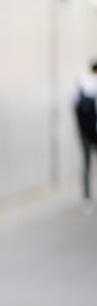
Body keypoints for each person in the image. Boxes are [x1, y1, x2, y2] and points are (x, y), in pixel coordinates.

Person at [73, 61, 97, 209]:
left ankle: (86, 196)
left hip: (85, 131)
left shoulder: (81, 83)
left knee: (86, 163)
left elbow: (74, 105)